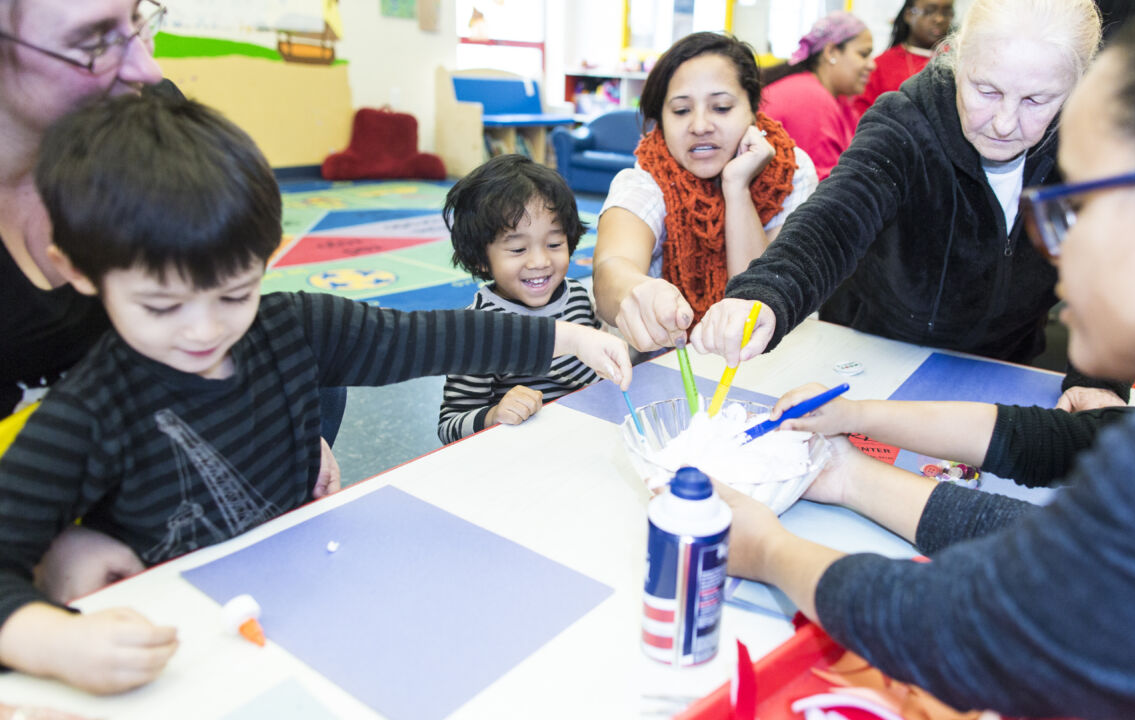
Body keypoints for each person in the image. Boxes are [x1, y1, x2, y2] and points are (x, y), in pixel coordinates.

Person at [718, 1, 1135, 716]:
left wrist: (767, 551)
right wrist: (853, 446)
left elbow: (970, 621)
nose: (1057, 255)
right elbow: (1062, 479)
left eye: (1076, 209)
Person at [0, 93, 633, 694]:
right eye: (161, 305)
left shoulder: (291, 326)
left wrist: (561, 338)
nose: (205, 329)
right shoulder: (89, 409)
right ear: (78, 270)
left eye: (234, 292)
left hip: (303, 602)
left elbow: (427, 337)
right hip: (185, 648)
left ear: (265, 254)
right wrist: (51, 640)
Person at [0, 0, 348, 604]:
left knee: (315, 363)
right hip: (46, 474)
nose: (146, 66)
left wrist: (268, 421)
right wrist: (56, 543)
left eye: (138, 19)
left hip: (163, 428)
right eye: (93, 41)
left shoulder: (145, 115)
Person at [693, 0, 1130, 412]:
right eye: (986, 90)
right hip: (877, 352)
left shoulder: (1093, 146)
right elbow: (836, 219)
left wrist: (1100, 376)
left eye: (1036, 101)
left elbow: (1114, 267)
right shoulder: (906, 121)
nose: (1004, 122)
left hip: (1005, 365)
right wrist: (766, 292)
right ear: (958, 60)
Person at [592, 31, 818, 353]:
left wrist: (737, 186)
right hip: (663, 368)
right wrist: (635, 289)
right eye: (681, 111)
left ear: (753, 110)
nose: (700, 125)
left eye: (722, 107)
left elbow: (759, 299)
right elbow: (611, 270)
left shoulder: (790, 172)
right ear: (661, 119)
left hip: (767, 360)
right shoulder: (647, 178)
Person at [438, 155, 603, 443]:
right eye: (517, 249)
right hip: (524, 456)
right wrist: (494, 415)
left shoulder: (576, 294)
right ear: (481, 259)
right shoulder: (478, 328)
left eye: (554, 244)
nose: (540, 261)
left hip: (588, 438)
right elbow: (450, 426)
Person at [760, 12, 875, 180]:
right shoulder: (810, 98)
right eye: (863, 54)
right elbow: (826, 186)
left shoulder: (836, 97)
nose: (872, 65)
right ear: (831, 52)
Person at [850, 0, 953, 118]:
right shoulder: (879, 66)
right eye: (929, 12)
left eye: (946, 13)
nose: (939, 19)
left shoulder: (958, 61)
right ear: (909, 14)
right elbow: (862, 119)